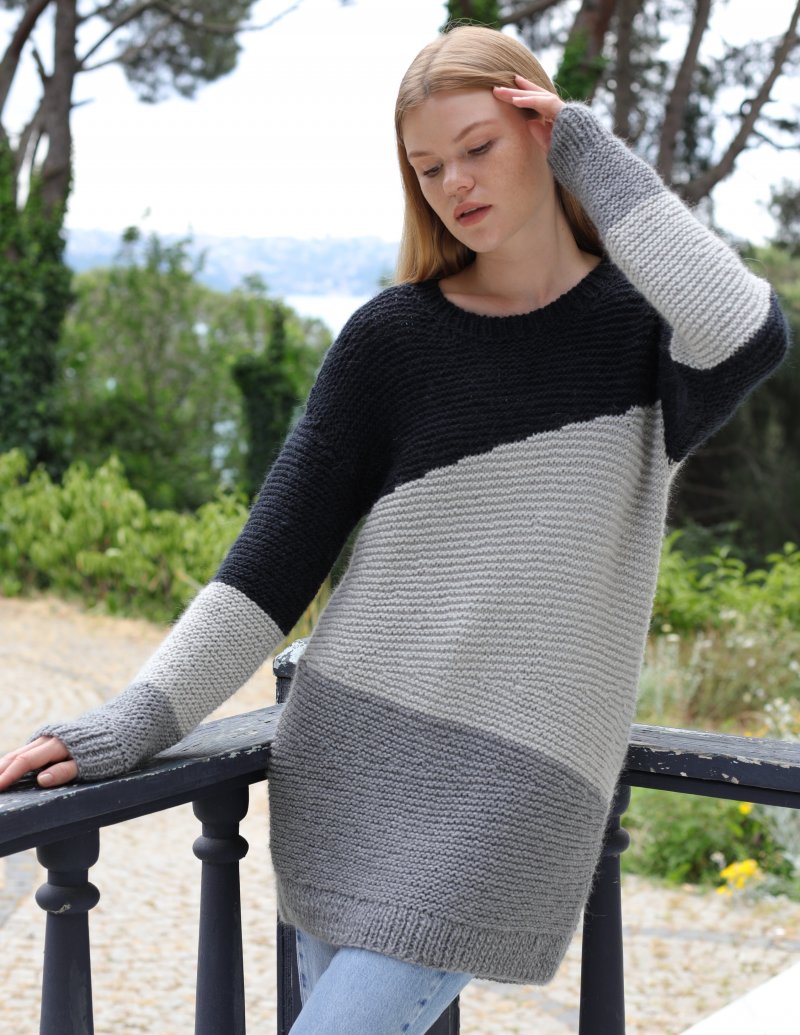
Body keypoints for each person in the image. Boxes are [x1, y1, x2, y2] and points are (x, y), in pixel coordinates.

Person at [0, 22, 792, 1035]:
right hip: (349, 761)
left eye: (478, 146)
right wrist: (132, 721)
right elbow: (267, 569)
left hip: (518, 787)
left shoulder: (647, 333)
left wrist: (587, 146)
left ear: (539, 131)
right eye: (426, 167)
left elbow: (747, 328)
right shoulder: (390, 340)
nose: (453, 183)